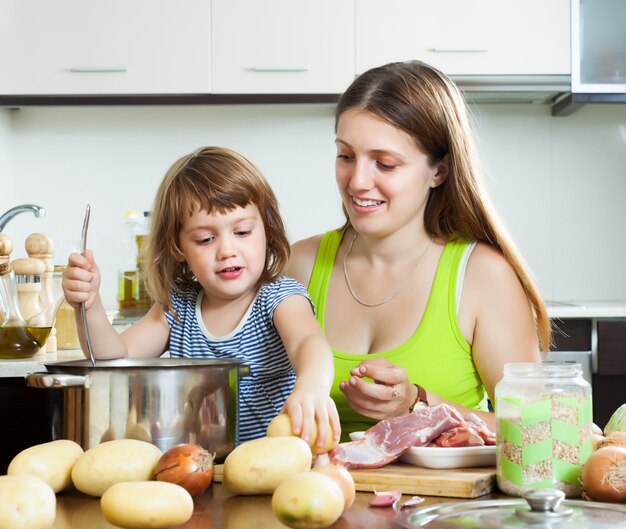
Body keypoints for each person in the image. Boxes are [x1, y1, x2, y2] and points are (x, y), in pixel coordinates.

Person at [287, 61, 549, 437]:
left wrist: (418, 403)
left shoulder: (482, 276)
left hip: (446, 498)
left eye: (385, 163)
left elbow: (535, 431)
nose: (357, 181)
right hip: (315, 495)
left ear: (438, 171)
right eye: (346, 156)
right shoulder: (299, 266)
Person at [62, 146, 339, 446]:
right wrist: (89, 305)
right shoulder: (178, 307)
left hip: (274, 467)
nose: (227, 250)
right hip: (198, 471)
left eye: (242, 232)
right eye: (206, 239)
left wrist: (311, 387)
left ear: (267, 231)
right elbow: (115, 355)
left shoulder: (279, 298)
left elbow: (309, 344)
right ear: (178, 248)